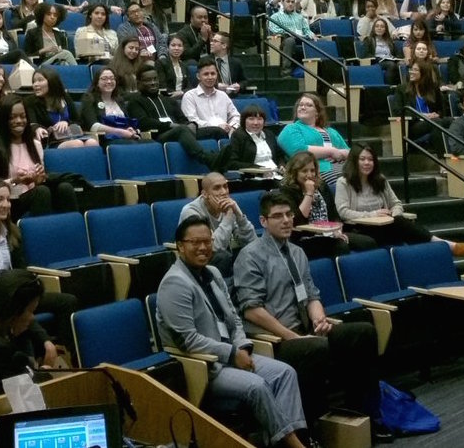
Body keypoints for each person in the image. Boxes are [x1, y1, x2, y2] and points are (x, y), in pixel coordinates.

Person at [233, 191, 391, 441]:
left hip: (304, 330)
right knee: (315, 348)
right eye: (278, 216)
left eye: (289, 215)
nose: (286, 220)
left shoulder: (297, 252)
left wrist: (319, 319)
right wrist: (291, 336)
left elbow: (311, 295)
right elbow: (251, 309)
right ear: (263, 221)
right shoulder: (250, 255)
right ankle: (311, 431)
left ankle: (364, 416)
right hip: (274, 339)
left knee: (362, 332)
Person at [156, 216, 308, 448]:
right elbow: (188, 340)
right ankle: (294, 444)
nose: (203, 247)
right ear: (180, 246)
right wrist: (231, 353)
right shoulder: (175, 284)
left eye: (207, 241)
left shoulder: (213, 273)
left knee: (285, 373)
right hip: (206, 366)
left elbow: (234, 319)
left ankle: (282, 442)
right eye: (195, 242)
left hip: (233, 353)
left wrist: (241, 346)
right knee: (257, 386)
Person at [0, 178, 78, 354]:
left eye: (8, 199)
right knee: (18, 310)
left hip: (18, 295)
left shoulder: (13, 232)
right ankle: (45, 347)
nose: (5, 205)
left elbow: (21, 272)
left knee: (67, 302)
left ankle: (66, 357)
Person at [335, 144, 464, 255]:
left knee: (401, 222)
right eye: (362, 159)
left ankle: (442, 247)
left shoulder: (380, 179)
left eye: (370, 159)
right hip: (358, 229)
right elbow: (343, 212)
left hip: (383, 226)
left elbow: (396, 204)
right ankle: (445, 245)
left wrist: (394, 216)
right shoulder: (344, 182)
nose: (367, 163)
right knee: (405, 230)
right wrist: (372, 215)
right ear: (354, 161)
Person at [0, 94, 78, 220]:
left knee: (65, 188)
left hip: (34, 198)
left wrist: (39, 178)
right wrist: (15, 180)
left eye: (23, 116)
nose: (19, 121)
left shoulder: (35, 145)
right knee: (41, 192)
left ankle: (72, 230)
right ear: (3, 120)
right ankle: (37, 235)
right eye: (12, 117)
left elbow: (39, 182)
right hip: (9, 203)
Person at [0, 269, 54, 399]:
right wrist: (45, 373)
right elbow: (19, 394)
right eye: (31, 311)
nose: (32, 318)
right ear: (13, 311)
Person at [280, 152, 377, 258]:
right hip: (305, 238)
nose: (310, 175)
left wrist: (337, 232)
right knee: (340, 246)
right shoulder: (287, 191)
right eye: (304, 171)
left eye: (312, 170)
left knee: (369, 242)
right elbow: (297, 220)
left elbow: (334, 214)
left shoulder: (322, 186)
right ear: (295, 173)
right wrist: (309, 193)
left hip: (329, 234)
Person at [127, 64, 218, 165]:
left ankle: (226, 162)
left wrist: (191, 124)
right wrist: (170, 125)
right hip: (157, 136)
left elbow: (182, 119)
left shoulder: (168, 100)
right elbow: (144, 122)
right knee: (181, 129)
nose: (153, 83)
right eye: (148, 80)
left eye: (155, 79)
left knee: (216, 131)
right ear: (139, 83)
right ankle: (206, 158)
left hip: (180, 131)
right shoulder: (134, 102)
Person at [179, 173, 257, 283]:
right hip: (198, 262)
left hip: (222, 262)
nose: (224, 192)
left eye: (225, 186)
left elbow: (252, 241)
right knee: (222, 257)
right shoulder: (191, 212)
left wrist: (239, 215)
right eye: (217, 188)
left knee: (252, 252)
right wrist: (228, 218)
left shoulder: (227, 207)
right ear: (205, 194)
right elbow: (210, 248)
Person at [277, 93, 349, 188]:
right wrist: (332, 151)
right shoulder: (291, 129)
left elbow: (350, 152)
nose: (303, 107)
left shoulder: (330, 131)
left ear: (317, 112)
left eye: (309, 105)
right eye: (300, 105)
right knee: (343, 183)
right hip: (316, 171)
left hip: (342, 167)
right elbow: (299, 151)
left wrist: (340, 154)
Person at [24, 68, 99, 149]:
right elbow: (32, 123)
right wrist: (37, 129)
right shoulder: (30, 101)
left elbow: (78, 121)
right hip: (51, 140)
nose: (35, 84)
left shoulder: (64, 97)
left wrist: (66, 123)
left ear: (52, 81)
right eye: (34, 81)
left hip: (71, 136)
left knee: (92, 143)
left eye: (40, 80)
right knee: (76, 144)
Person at [393, 60, 452, 155]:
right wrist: (422, 115)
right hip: (412, 126)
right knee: (436, 123)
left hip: (433, 121)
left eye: (415, 70)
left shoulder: (432, 89)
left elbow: (441, 109)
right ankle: (443, 161)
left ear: (424, 73)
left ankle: (460, 155)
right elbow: (398, 111)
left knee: (452, 121)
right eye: (411, 69)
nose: (411, 72)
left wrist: (437, 114)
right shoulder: (402, 89)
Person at [181, 57, 240, 140]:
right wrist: (217, 126)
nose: (210, 77)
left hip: (226, 133)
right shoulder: (189, 96)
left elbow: (235, 115)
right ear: (198, 76)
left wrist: (232, 127)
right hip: (204, 136)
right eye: (206, 74)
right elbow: (193, 121)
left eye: (213, 73)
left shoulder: (223, 95)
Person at [80, 67, 141, 141]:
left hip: (124, 138)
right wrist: (121, 132)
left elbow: (126, 121)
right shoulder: (89, 99)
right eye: (104, 78)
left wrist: (130, 129)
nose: (109, 81)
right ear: (97, 83)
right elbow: (94, 126)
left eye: (112, 78)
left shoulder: (119, 100)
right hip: (104, 139)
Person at [225, 104, 286, 173]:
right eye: (251, 119)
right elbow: (232, 163)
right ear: (244, 121)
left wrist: (281, 165)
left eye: (259, 119)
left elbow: (279, 155)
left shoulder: (269, 134)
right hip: (254, 177)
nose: (256, 123)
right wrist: (258, 169)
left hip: (275, 173)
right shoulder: (238, 136)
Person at [268, 0, 317, 78]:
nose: (290, 4)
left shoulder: (299, 17)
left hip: (301, 39)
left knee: (316, 41)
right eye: (288, 1)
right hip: (284, 40)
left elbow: (306, 30)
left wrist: (312, 35)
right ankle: (286, 73)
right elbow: (273, 29)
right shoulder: (275, 16)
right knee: (290, 40)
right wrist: (288, 32)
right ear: (282, 2)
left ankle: (316, 73)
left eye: (292, 2)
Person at [362, 16, 400, 85]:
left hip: (390, 60)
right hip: (377, 62)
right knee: (391, 65)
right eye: (377, 26)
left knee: (401, 65)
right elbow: (366, 55)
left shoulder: (389, 41)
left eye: (382, 27)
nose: (379, 28)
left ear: (385, 29)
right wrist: (377, 59)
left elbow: (394, 54)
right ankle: (389, 87)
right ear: (374, 28)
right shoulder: (369, 40)